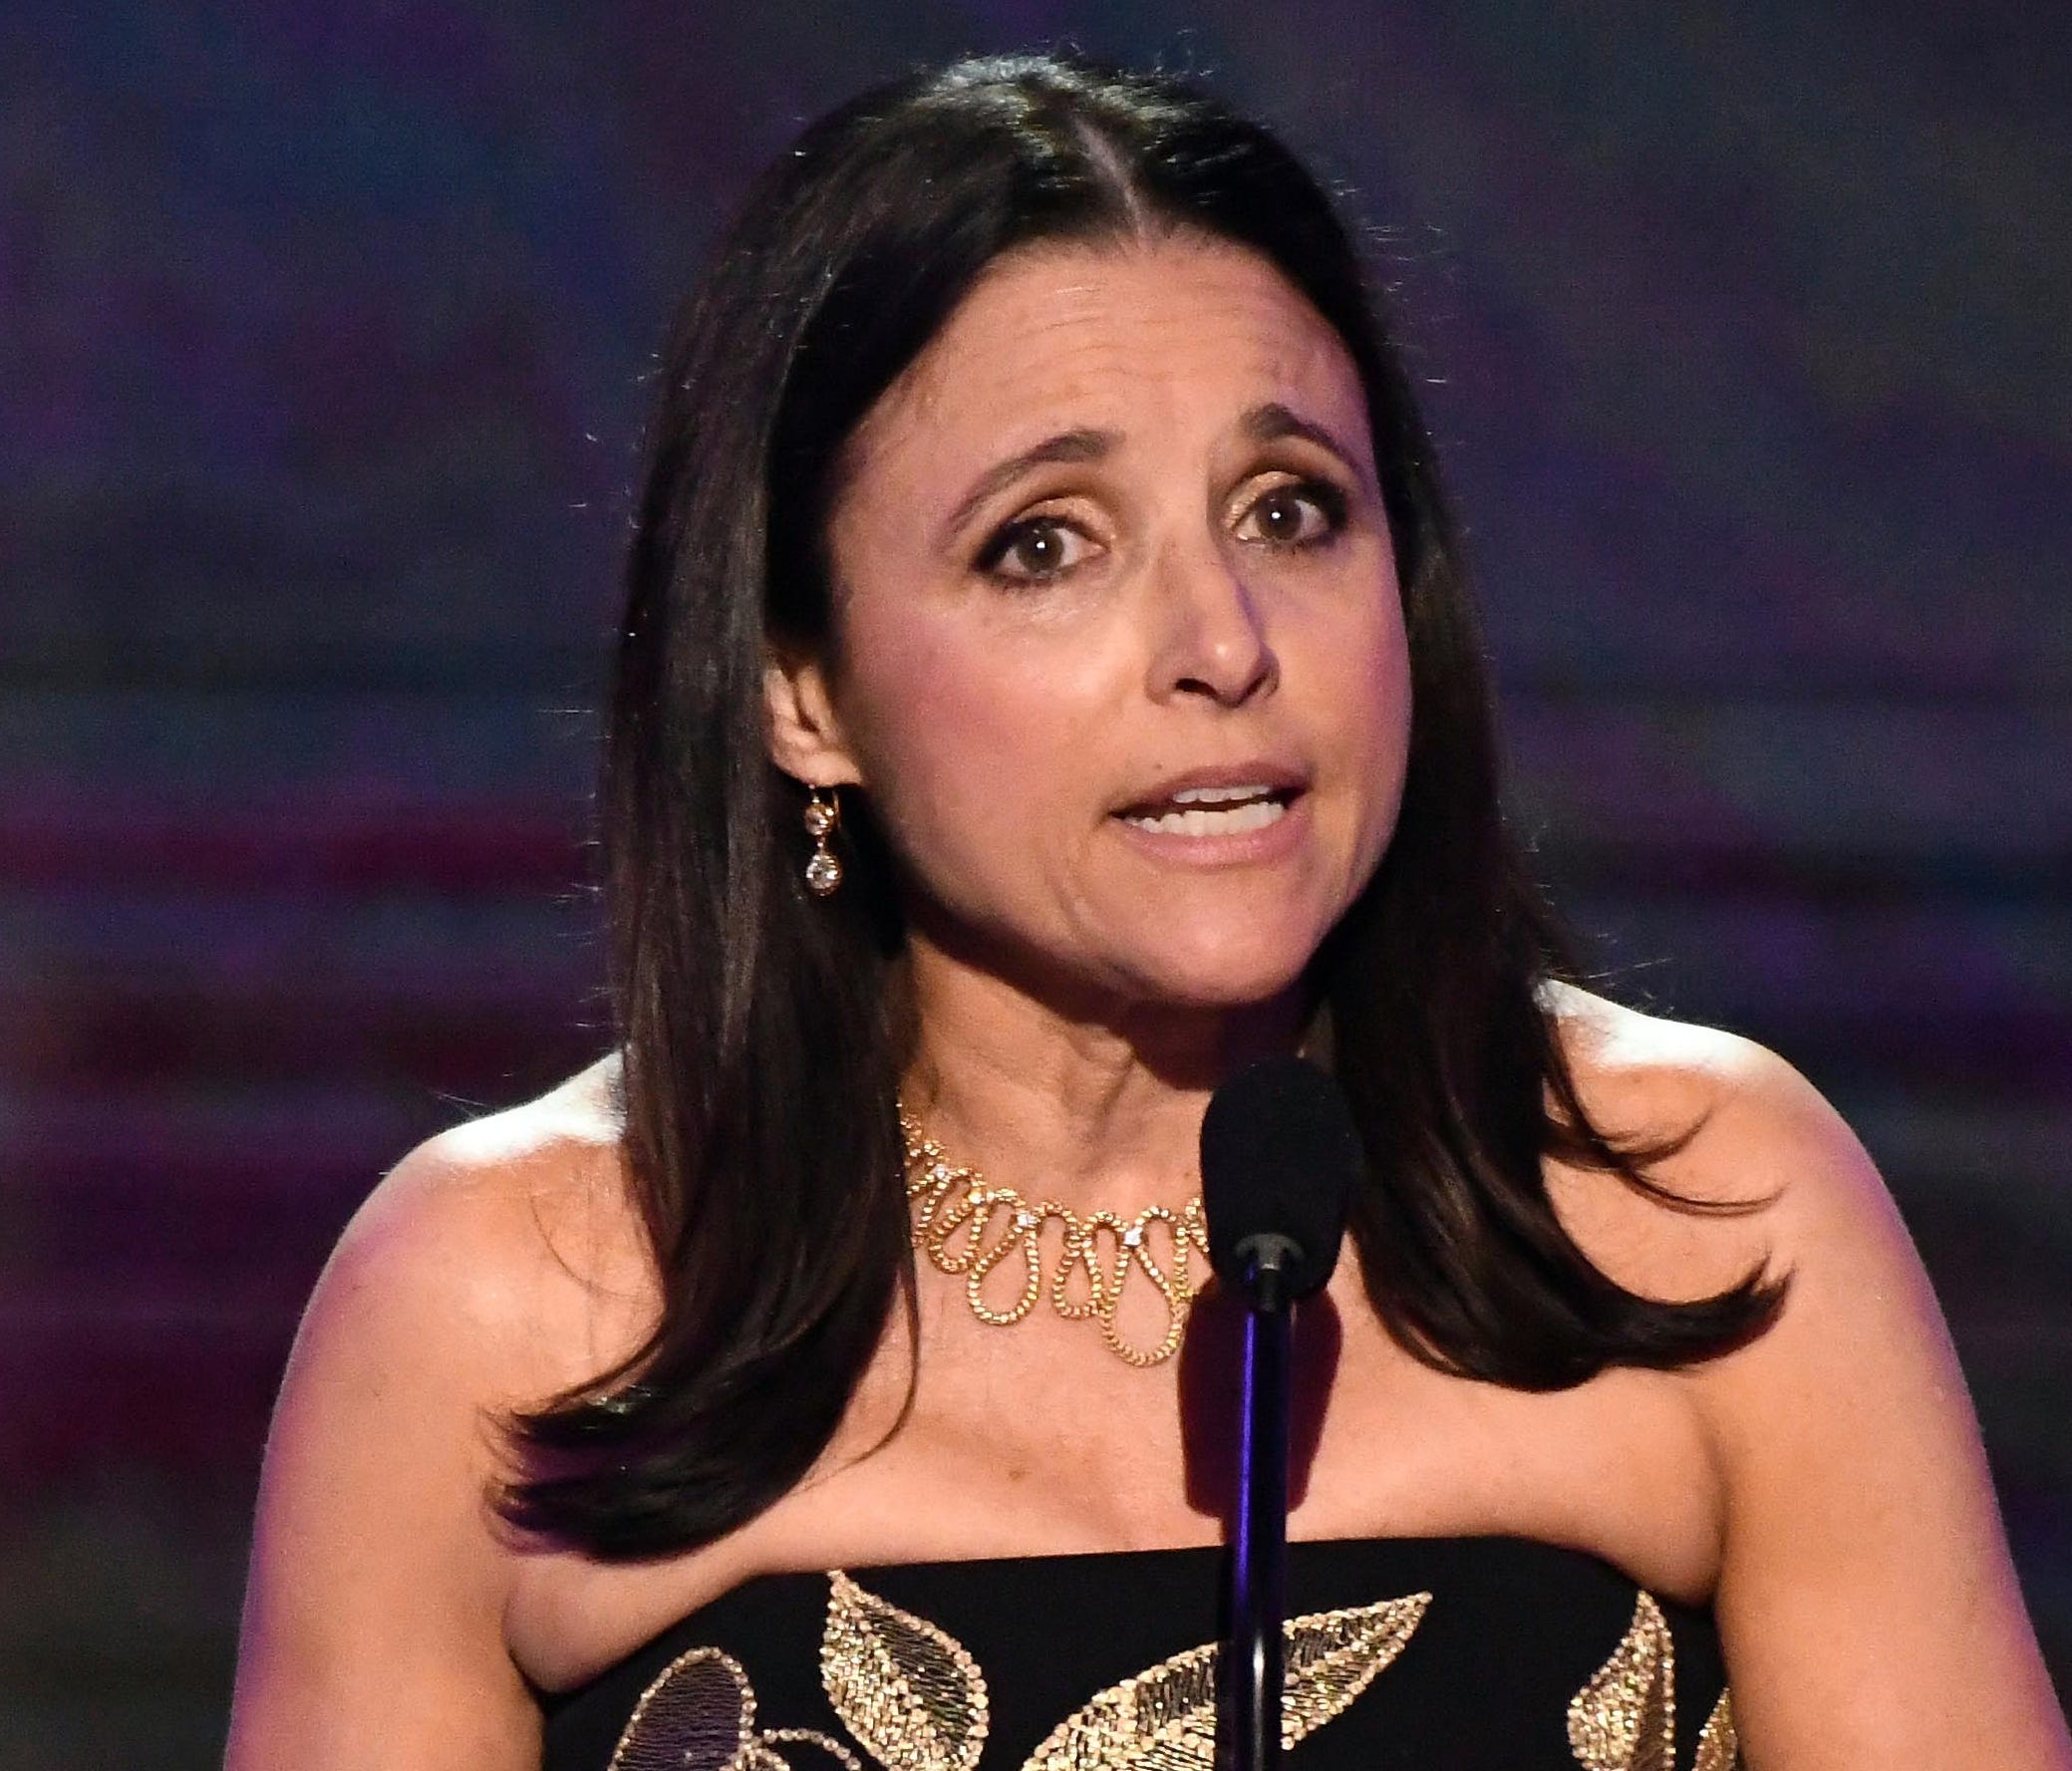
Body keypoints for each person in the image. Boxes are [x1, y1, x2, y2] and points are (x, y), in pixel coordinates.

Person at [224, 50, 2070, 1771]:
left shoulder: (1694, 1206)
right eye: (1045, 544)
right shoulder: (504, 1308)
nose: (1222, 646)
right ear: (802, 688)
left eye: (1289, 510)